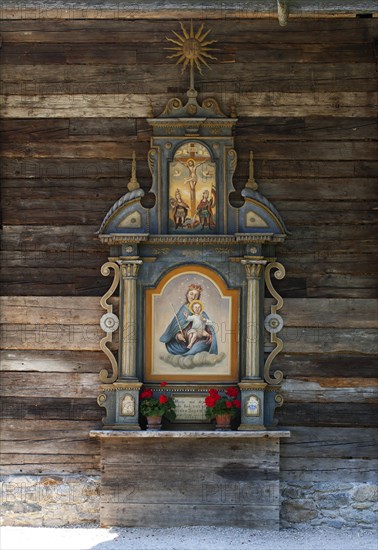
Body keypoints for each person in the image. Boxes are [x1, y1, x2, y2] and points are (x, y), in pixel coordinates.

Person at [160, 284, 218, 356]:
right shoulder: (183, 311)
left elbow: (208, 326)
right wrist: (177, 336)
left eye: (196, 295)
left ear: (198, 298)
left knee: (199, 347)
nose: (193, 297)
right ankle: (188, 349)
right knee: (174, 346)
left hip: (198, 341)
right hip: (182, 344)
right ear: (187, 294)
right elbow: (173, 328)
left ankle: (192, 349)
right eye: (191, 294)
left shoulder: (201, 312)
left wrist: (210, 335)